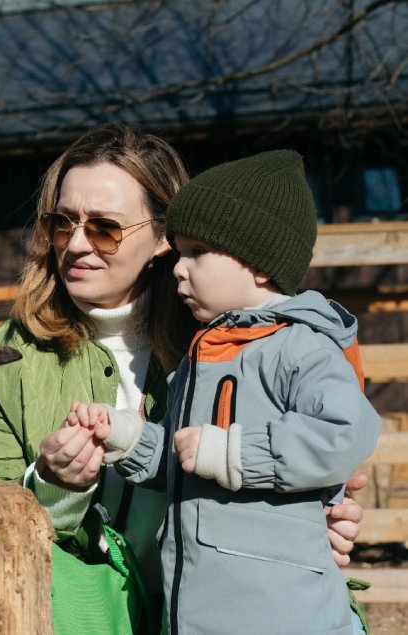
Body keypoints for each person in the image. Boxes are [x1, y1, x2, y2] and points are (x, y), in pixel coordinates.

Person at [0, 124, 368, 631]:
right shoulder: (7, 358)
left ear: (162, 238)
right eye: (61, 223)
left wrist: (319, 514)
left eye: (104, 227)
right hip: (83, 610)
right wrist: (54, 487)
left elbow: (321, 445)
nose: (76, 244)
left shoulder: (226, 337)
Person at [70, 149, 381, 634]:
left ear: (258, 264)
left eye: (198, 251)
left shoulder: (299, 347)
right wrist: (126, 437)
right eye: (179, 252)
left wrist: (235, 453)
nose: (179, 268)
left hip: (284, 612)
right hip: (202, 612)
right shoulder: (202, 357)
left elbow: (344, 431)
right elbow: (183, 456)